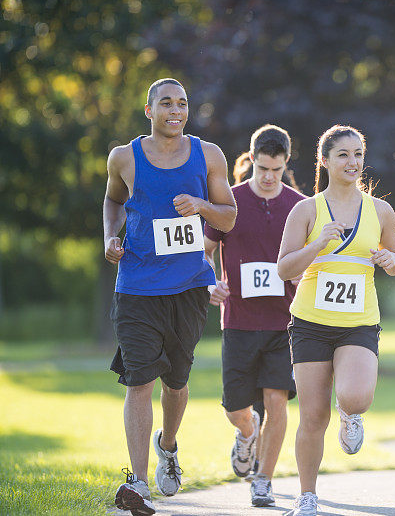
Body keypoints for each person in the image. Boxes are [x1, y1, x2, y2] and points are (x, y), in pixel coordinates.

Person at [103, 78, 237, 515]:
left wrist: (201, 207)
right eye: (166, 103)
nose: (176, 110)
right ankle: (138, 484)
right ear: (149, 110)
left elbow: (230, 217)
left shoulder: (208, 154)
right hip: (137, 285)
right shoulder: (124, 157)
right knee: (140, 379)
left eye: (182, 103)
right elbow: (112, 201)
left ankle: (169, 445)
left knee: (176, 382)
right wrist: (110, 236)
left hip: (188, 286)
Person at [276, 125, 395, 516]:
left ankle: (351, 416)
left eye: (358, 154)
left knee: (356, 396)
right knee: (313, 416)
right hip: (311, 322)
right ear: (326, 160)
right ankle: (307, 496)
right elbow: (283, 268)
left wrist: (390, 260)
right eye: (343, 155)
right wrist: (317, 245)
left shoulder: (380, 210)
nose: (353, 162)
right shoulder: (306, 209)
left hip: (358, 321)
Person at [203, 124, 306, 507]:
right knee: (235, 409)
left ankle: (263, 479)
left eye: (276, 170)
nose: (268, 177)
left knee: (277, 401)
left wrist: (300, 272)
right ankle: (247, 434)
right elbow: (205, 251)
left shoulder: (299, 204)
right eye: (262, 168)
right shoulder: (229, 201)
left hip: (284, 323)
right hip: (239, 322)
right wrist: (209, 282)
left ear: (285, 164)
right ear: (252, 160)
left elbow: (313, 261)